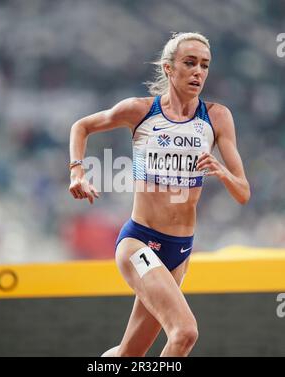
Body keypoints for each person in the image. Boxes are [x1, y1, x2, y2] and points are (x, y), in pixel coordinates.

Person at [69, 32, 250, 357]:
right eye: (190, 63)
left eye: (205, 65)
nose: (198, 72)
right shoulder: (140, 111)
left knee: (129, 355)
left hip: (179, 251)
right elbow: (81, 126)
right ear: (168, 68)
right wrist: (77, 171)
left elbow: (243, 193)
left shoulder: (216, 117)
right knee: (184, 333)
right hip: (139, 242)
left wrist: (223, 172)